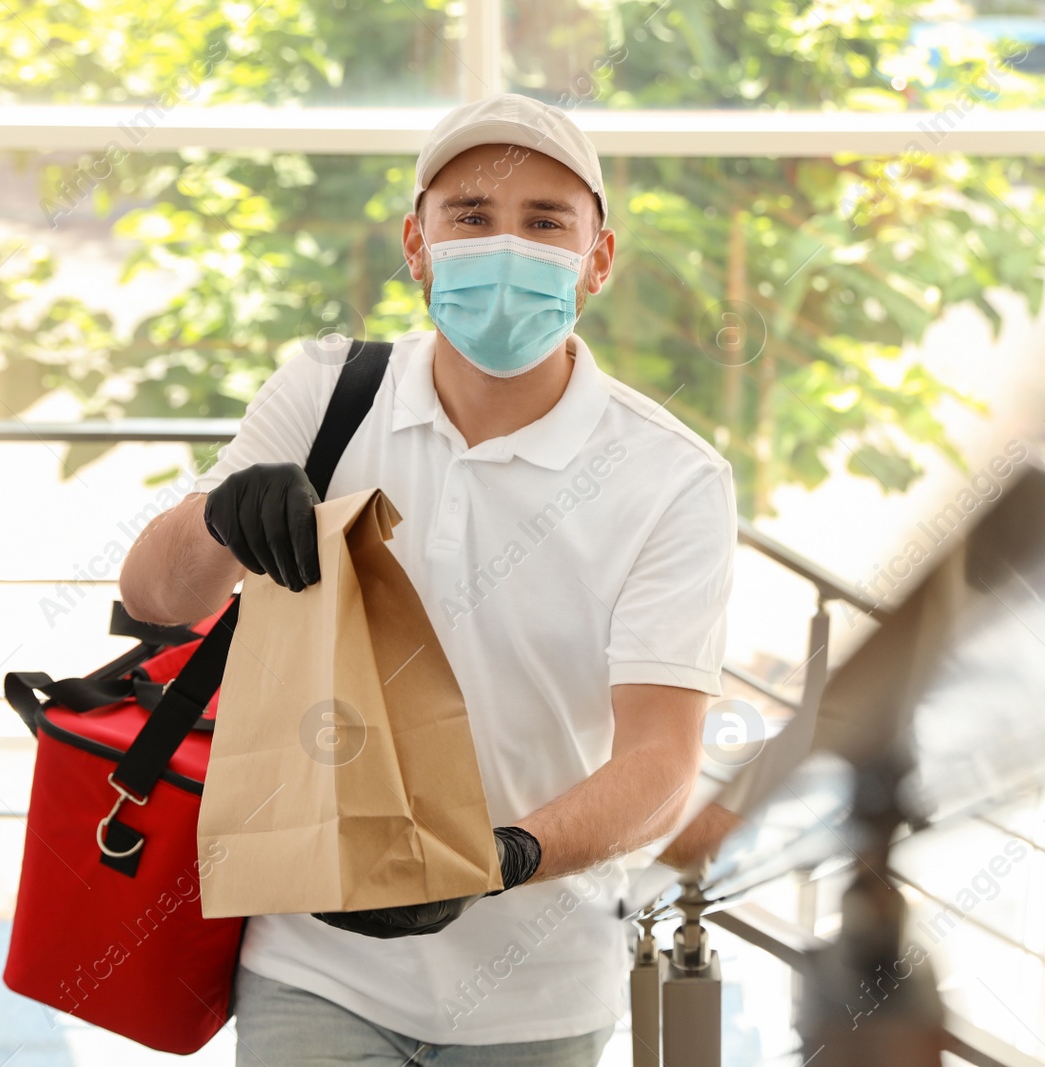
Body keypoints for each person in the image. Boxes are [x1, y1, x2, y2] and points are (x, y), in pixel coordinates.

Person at [119, 92, 737, 1067]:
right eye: (471, 216)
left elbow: (662, 761)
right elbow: (157, 597)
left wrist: (503, 856)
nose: (505, 246)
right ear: (417, 244)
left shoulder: (671, 479)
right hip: (313, 962)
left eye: (544, 222)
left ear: (598, 259)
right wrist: (222, 516)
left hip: (538, 988)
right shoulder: (325, 394)